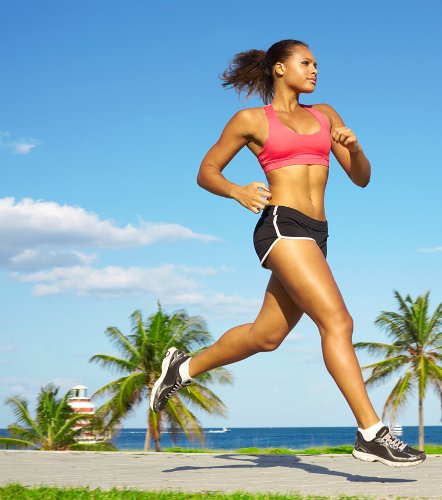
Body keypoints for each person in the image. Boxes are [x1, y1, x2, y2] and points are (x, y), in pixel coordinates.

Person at [148, 39, 425, 467]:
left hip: (317, 234)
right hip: (281, 226)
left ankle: (181, 370)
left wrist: (356, 149)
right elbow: (206, 171)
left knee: (267, 336)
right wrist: (236, 191)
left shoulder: (326, 115)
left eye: (317, 64)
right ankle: (371, 432)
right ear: (280, 68)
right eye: (306, 63)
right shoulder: (251, 120)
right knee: (338, 321)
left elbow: (362, 179)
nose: (314, 70)